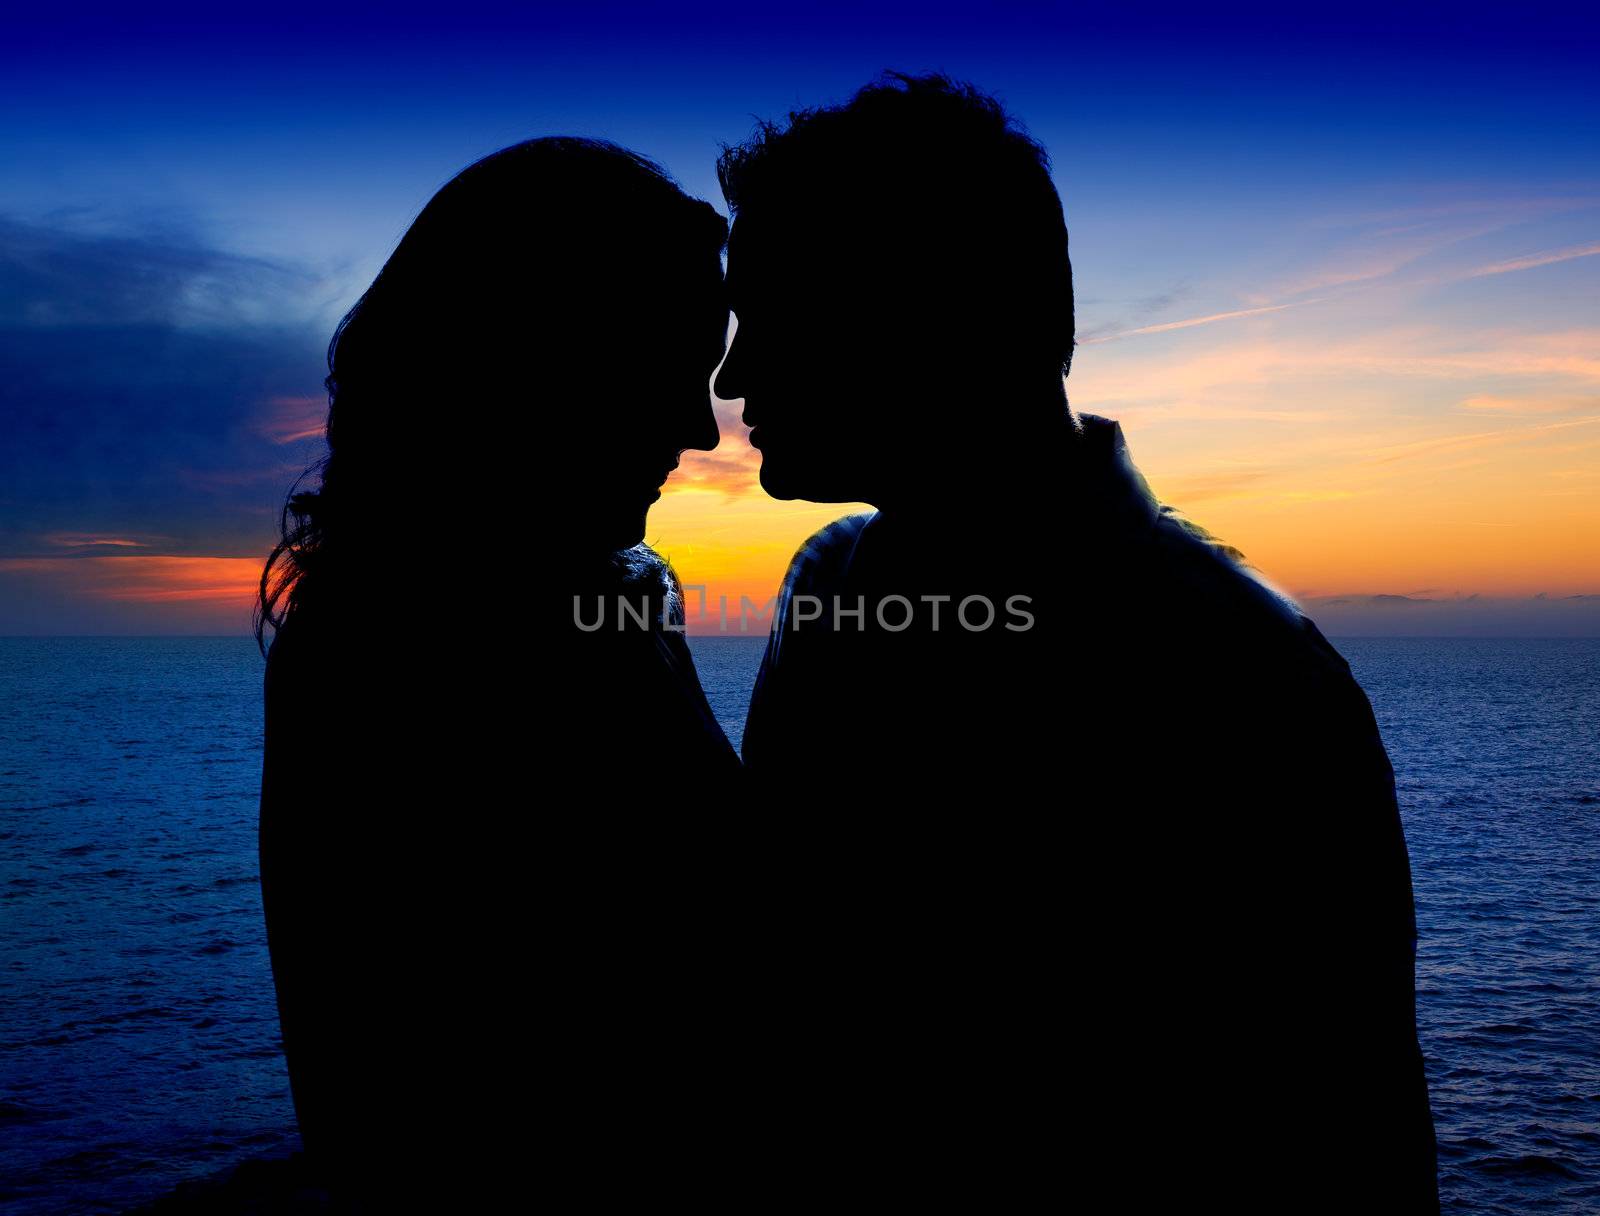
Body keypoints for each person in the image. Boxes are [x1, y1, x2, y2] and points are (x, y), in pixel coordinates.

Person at [715, 73, 1438, 1210]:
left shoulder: (1244, 679)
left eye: (772, 316)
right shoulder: (829, 588)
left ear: (922, 314)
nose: (731, 376)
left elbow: (1350, 1147)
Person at [255, 137, 740, 1210]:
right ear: (538, 360)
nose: (698, 428)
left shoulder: (597, 595)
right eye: (669, 371)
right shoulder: (413, 645)